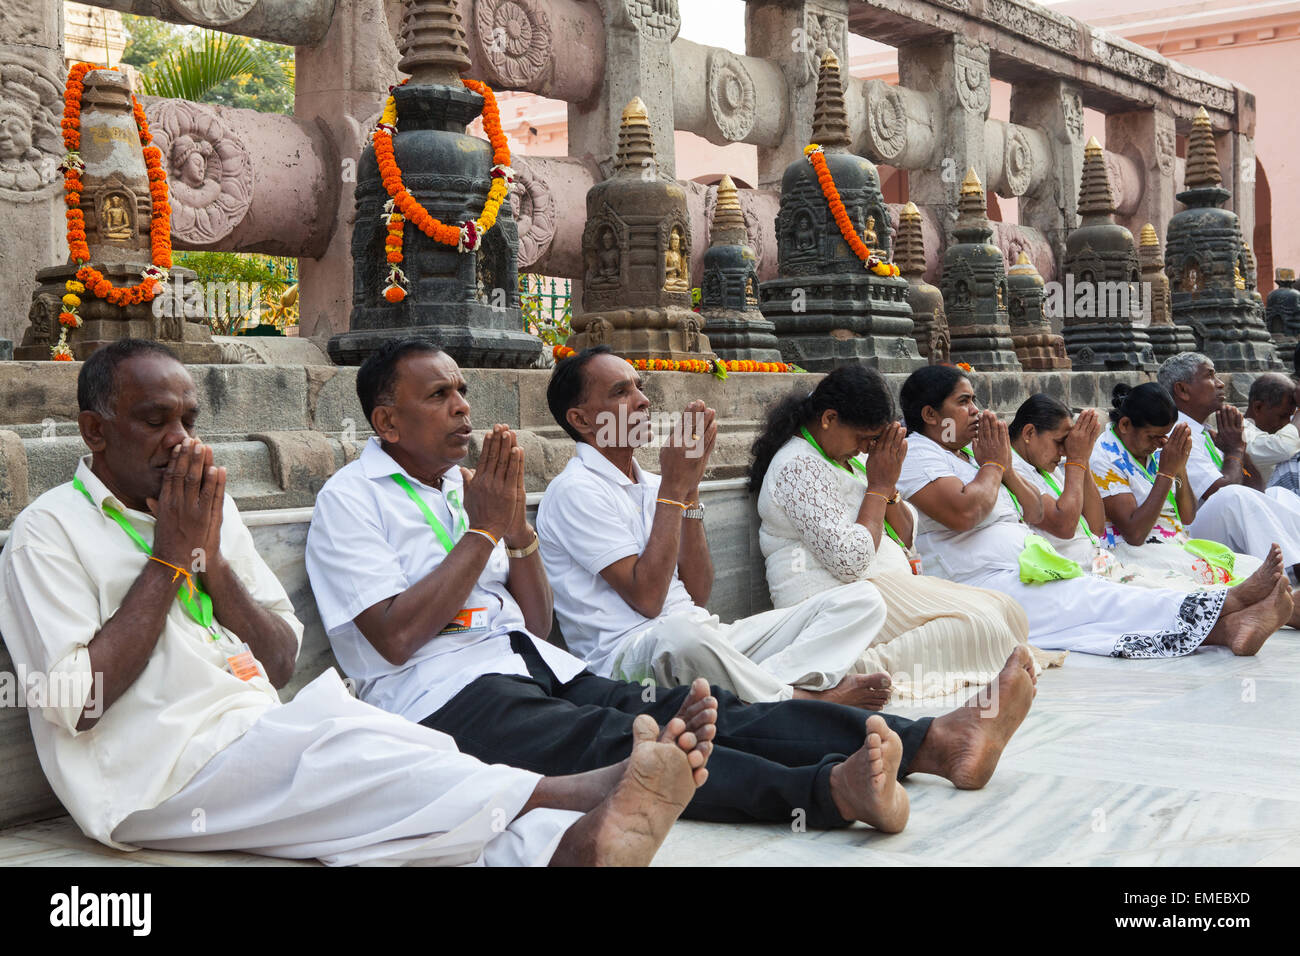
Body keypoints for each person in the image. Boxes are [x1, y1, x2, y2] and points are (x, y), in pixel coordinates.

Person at [0, 340, 713, 868]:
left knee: (402, 771)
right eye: (156, 421)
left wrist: (209, 561)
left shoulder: (206, 513)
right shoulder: (46, 535)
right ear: (95, 432)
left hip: (254, 723)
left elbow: (279, 660)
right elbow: (75, 703)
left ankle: (570, 848)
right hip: (157, 772)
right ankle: (575, 793)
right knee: (360, 758)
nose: (181, 441)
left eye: (188, 418)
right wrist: (167, 558)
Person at [304, 337, 1041, 836]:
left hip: (535, 666)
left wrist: (516, 527)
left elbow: (537, 615)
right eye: (440, 396)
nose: (464, 405)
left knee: (707, 713)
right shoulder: (351, 498)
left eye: (463, 390)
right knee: (641, 741)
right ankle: (827, 791)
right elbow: (395, 638)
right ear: (387, 421)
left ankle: (937, 742)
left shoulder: (464, 487)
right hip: (443, 695)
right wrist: (485, 531)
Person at [538, 345, 893, 709]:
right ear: (581, 420)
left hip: (708, 638)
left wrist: (688, 492)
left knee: (862, 601)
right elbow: (647, 600)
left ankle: (757, 692)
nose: (643, 401)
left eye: (638, 387)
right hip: (634, 658)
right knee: (682, 635)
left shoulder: (654, 484)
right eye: (621, 392)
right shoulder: (574, 489)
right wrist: (675, 489)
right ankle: (795, 699)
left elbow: (698, 594)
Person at [895, 365, 1290, 658]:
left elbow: (1031, 509)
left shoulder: (968, 457)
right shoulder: (917, 454)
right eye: (964, 402)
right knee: (1100, 602)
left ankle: (1231, 626)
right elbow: (965, 513)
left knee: (1102, 604)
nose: (977, 411)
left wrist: (1003, 466)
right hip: (978, 579)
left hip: (1026, 565)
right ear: (931, 415)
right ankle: (1229, 604)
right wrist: (1000, 465)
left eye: (975, 401)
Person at [751, 365, 1050, 701]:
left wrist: (887, 485)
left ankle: (849, 668)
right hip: (839, 603)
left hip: (887, 588)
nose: (866, 449)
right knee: (981, 626)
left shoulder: (854, 460)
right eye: (862, 438)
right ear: (829, 419)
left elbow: (906, 534)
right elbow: (849, 562)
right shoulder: (797, 466)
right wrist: (877, 488)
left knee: (1007, 611)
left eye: (873, 441)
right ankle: (848, 671)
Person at [1013, 388, 1267, 594]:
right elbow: (1133, 533)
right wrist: (1165, 474)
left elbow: (1186, 517)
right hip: (1130, 548)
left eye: (1165, 437)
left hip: (1167, 543)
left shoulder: (1156, 453)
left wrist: (1179, 469)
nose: (1160, 443)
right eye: (1153, 436)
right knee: (1195, 583)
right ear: (1125, 425)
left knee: (1251, 566)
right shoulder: (1106, 457)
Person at [1157, 351, 1300, 574]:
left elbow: (1257, 490)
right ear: (1182, 390)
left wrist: (1239, 447)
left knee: (1279, 494)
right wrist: (1234, 450)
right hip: (1187, 534)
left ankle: (1294, 568)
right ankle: (1281, 577)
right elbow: (1222, 494)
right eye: (1210, 376)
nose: (1220, 384)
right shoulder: (1179, 433)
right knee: (1232, 497)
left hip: (1220, 525)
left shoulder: (1205, 432)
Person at [1242, 372, 1300, 490]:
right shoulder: (1237, 431)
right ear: (1258, 407)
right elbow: (1284, 447)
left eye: (1290, 418)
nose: (1287, 424)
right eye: (1282, 416)